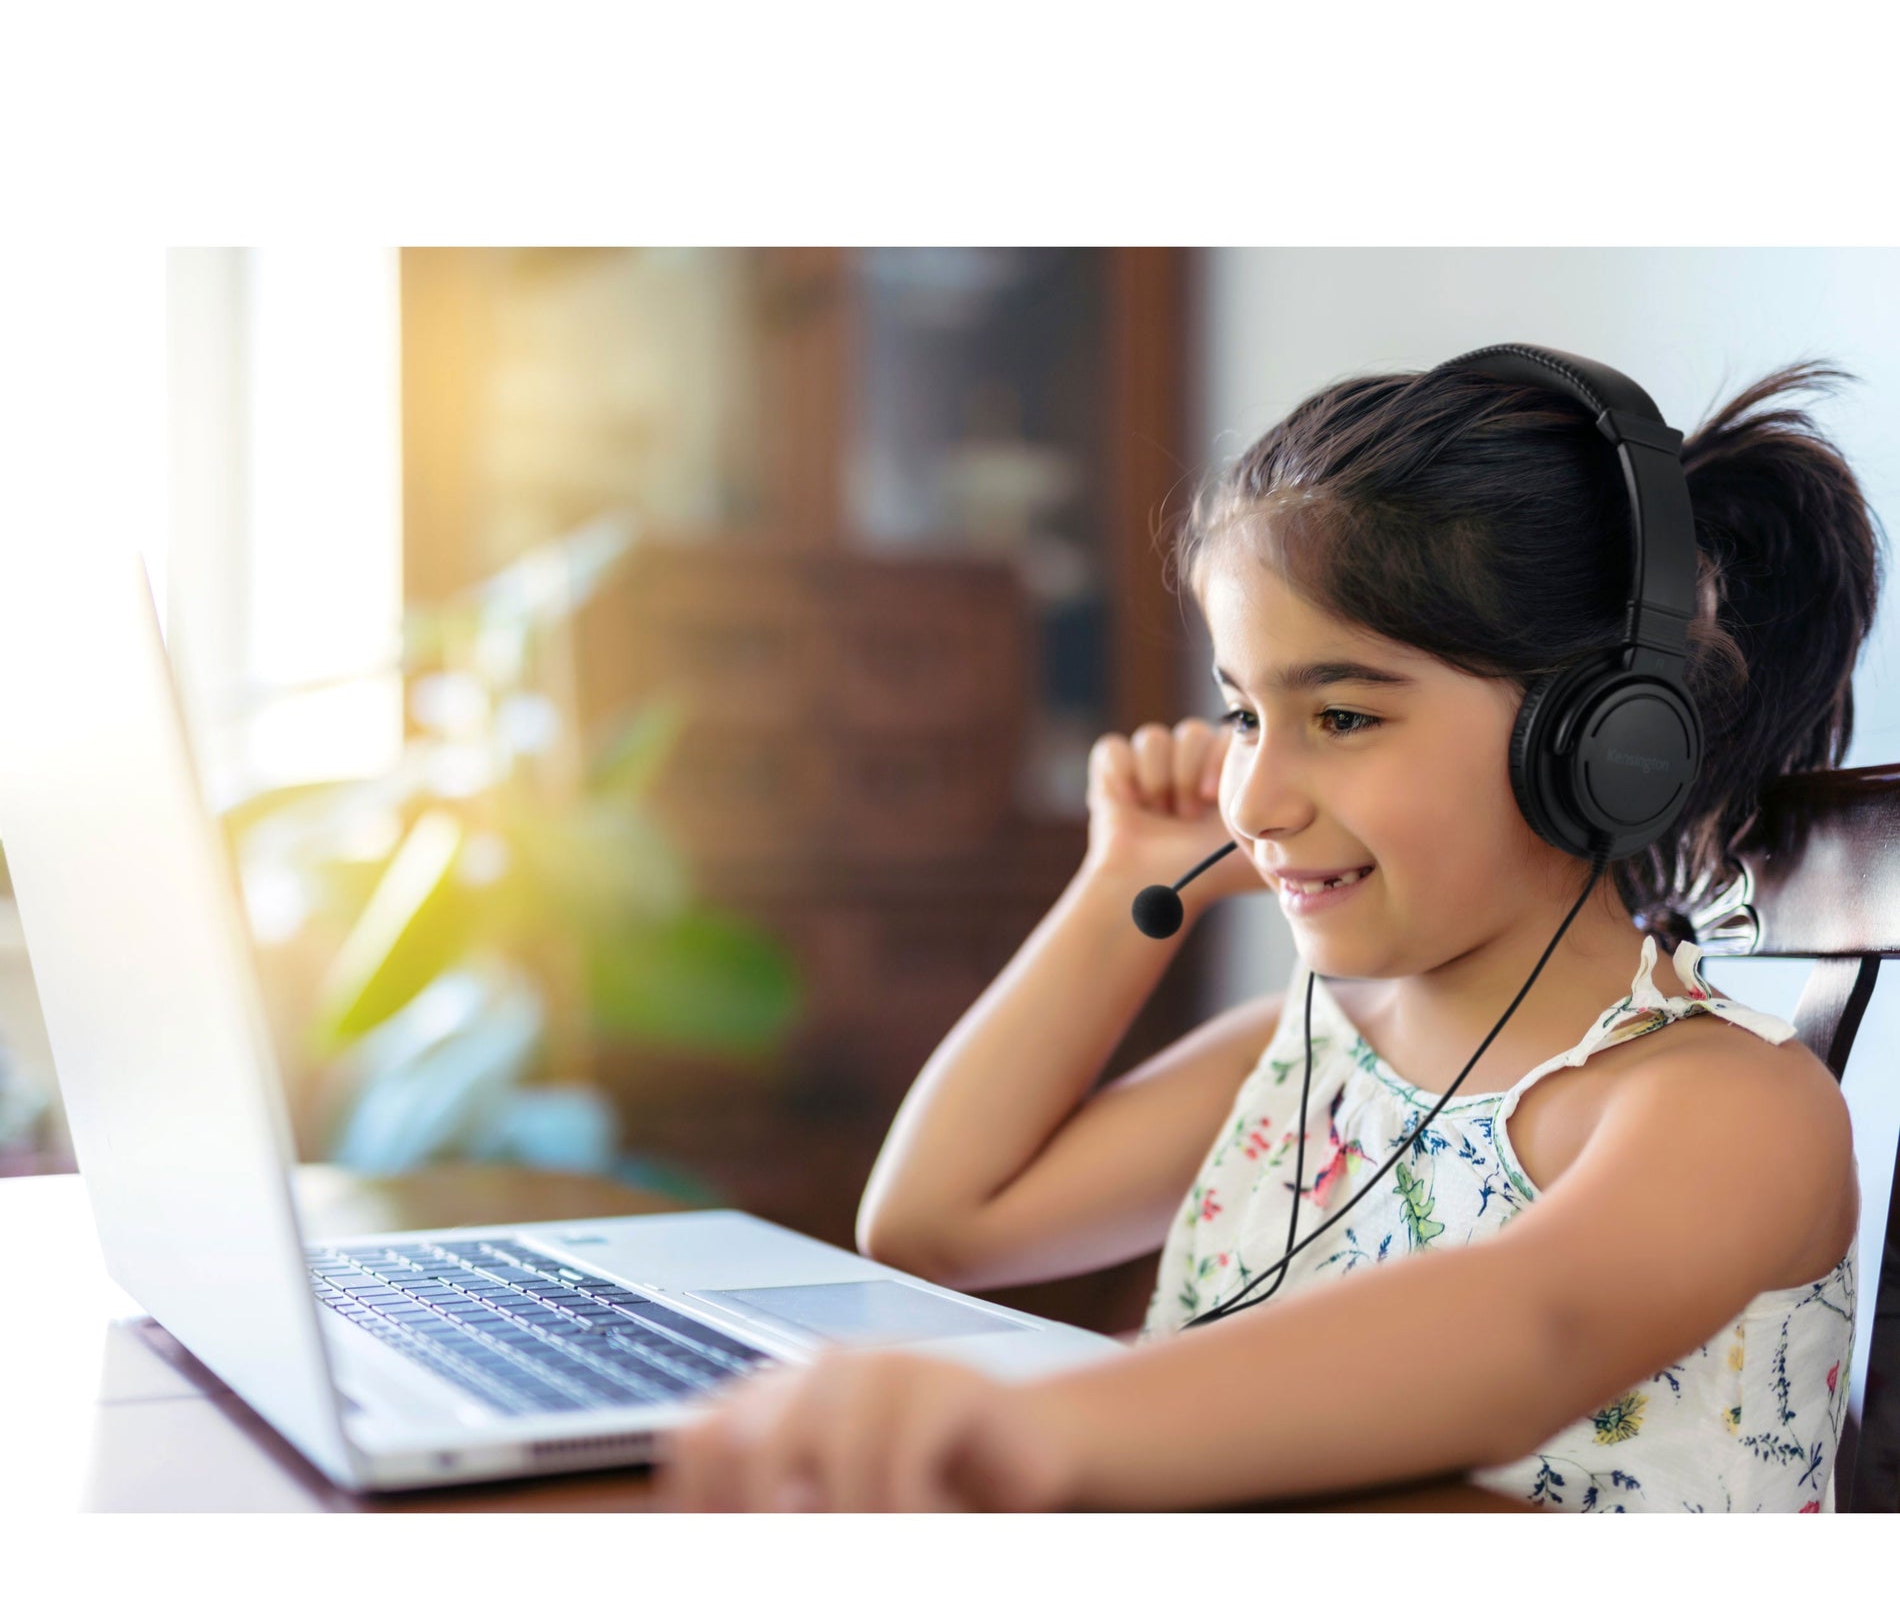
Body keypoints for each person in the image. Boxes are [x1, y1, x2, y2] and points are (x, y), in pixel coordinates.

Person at [657, 355, 1886, 1512]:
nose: (1252, 797)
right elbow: (935, 1223)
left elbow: (1528, 1330)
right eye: (1242, 711)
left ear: (1606, 746)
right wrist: (1125, 884)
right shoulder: (1297, 1066)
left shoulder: (1724, 1107)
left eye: (1341, 715)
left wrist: (1042, 1424)